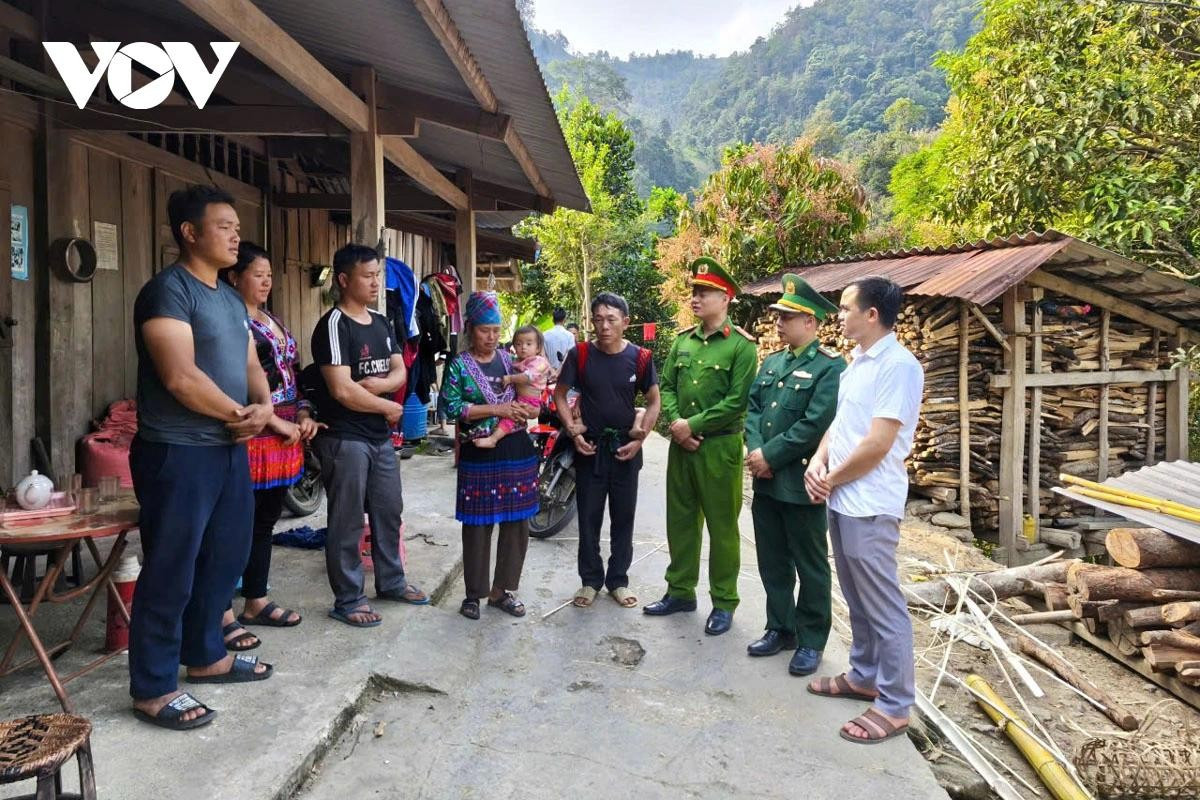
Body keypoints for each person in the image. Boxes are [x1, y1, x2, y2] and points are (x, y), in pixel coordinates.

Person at [129, 185, 275, 731]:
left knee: (224, 558)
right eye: (223, 226)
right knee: (171, 567)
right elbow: (180, 377)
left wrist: (262, 407)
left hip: (228, 449)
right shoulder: (167, 291)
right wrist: (243, 414)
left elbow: (251, 365)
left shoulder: (230, 298)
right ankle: (153, 686)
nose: (236, 235)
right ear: (189, 232)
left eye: (237, 226)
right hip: (177, 451)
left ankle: (207, 656)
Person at [804, 276, 924, 745]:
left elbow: (878, 443)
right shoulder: (858, 363)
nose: (839, 314)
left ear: (871, 315)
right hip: (845, 498)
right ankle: (864, 675)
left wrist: (830, 478)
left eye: (845, 307)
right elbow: (843, 423)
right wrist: (819, 460)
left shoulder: (898, 365)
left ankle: (894, 705)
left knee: (883, 606)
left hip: (871, 503)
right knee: (857, 597)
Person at [311, 243, 428, 628]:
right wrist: (387, 406)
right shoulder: (333, 325)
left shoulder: (380, 322)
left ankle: (391, 582)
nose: (376, 282)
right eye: (368, 275)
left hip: (378, 436)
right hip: (345, 437)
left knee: (389, 511)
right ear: (344, 280)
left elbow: (400, 371)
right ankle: (348, 598)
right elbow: (342, 390)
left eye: (378, 274)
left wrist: (376, 390)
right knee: (345, 521)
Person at [215, 242, 319, 652]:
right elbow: (228, 381)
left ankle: (255, 599)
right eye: (258, 274)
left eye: (270, 275)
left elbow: (292, 373)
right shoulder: (228, 321)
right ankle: (221, 610)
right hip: (252, 434)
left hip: (284, 436)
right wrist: (274, 420)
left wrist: (304, 414)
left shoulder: (270, 320)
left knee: (264, 522)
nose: (266, 281)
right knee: (232, 525)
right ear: (234, 276)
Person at [645, 257, 757, 636]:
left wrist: (689, 425)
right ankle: (680, 591)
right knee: (680, 521)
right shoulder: (682, 341)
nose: (696, 298)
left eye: (704, 292)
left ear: (725, 298)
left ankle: (724, 601)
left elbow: (736, 401)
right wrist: (676, 425)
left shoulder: (741, 347)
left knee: (723, 527)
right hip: (682, 446)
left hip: (719, 449)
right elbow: (669, 387)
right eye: (694, 292)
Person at [744, 275, 844, 676]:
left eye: (788, 317)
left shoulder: (830, 368)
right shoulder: (773, 362)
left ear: (812, 322)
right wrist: (754, 451)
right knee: (772, 560)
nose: (779, 323)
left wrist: (769, 454)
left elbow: (816, 422)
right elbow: (754, 409)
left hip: (802, 482)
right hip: (766, 481)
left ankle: (812, 639)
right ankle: (779, 627)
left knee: (811, 564)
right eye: (779, 316)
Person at [554, 292, 661, 609]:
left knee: (623, 517)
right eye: (598, 319)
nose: (604, 326)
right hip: (590, 449)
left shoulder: (640, 357)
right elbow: (560, 395)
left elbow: (655, 400)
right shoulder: (581, 354)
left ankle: (618, 580)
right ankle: (589, 581)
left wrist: (640, 439)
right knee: (588, 517)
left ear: (625, 322)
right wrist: (573, 431)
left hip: (626, 449)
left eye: (611, 319)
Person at [439, 292, 539, 620]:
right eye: (485, 330)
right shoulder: (459, 366)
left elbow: (533, 391)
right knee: (477, 525)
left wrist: (525, 407)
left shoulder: (513, 361)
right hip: (477, 452)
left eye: (496, 330)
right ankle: (473, 594)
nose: (492, 337)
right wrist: (495, 408)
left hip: (515, 449)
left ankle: (501, 592)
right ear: (470, 328)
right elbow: (450, 407)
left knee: (516, 522)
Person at [474, 325, 552, 449]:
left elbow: (528, 377)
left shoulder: (538, 361)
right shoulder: (516, 360)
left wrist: (510, 378)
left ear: (538, 348)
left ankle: (493, 439)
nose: (523, 348)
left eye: (528, 344)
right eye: (519, 344)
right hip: (521, 400)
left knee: (511, 418)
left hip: (529, 402)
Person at [543, 307, 575, 372]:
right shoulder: (570, 336)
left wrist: (552, 371)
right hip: (565, 372)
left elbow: (543, 355)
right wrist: (559, 370)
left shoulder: (544, 335)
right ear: (564, 320)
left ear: (553, 320)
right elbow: (569, 355)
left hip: (549, 372)